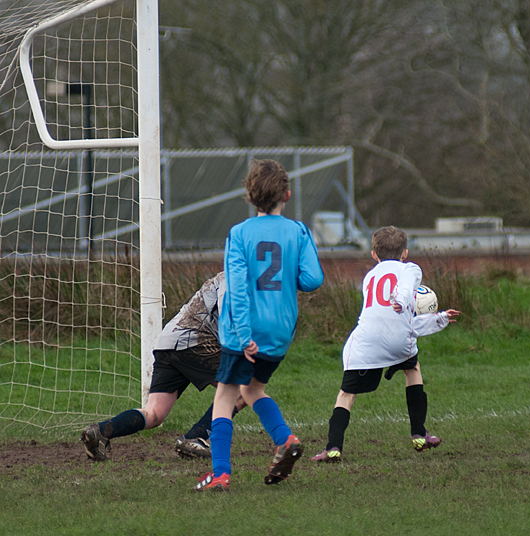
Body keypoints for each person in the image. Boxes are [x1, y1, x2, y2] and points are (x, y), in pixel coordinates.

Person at [195, 159, 324, 492]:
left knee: (225, 397)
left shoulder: (239, 233)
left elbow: (237, 287)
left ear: (250, 197)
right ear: (288, 194)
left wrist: (243, 336)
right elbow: (313, 279)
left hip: (245, 331)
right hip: (281, 330)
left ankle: (220, 473)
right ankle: (286, 439)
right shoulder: (298, 230)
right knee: (252, 390)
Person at [311, 226, 460, 463]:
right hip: (399, 339)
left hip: (365, 341)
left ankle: (333, 448)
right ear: (405, 253)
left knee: (346, 394)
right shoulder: (410, 268)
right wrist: (429, 314)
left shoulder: (369, 277)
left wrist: (409, 306)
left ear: (373, 254)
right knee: (412, 370)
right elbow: (404, 296)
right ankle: (419, 434)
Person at [80, 271, 246, 461]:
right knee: (242, 390)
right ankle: (195, 438)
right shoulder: (237, 274)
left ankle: (100, 432)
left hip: (169, 340)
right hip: (194, 340)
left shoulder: (239, 274)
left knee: (154, 414)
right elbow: (228, 317)